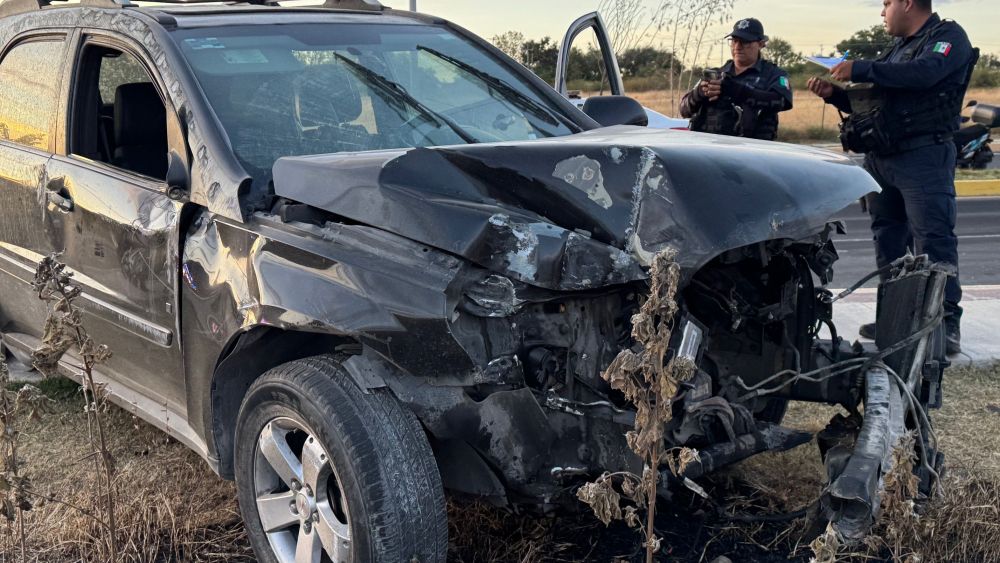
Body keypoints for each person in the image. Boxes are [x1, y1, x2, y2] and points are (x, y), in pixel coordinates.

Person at [808, 0, 976, 355]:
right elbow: (878, 101)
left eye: (886, 3)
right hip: (883, 157)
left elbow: (924, 74)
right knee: (888, 240)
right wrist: (835, 95)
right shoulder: (896, 49)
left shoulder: (947, 38)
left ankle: (944, 323)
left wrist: (862, 67)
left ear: (907, 3)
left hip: (923, 157)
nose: (882, 12)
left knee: (932, 241)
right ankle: (894, 318)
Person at [680, 18, 793, 140]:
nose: (738, 47)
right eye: (734, 41)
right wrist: (700, 93)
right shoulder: (717, 74)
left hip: (753, 149)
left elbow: (782, 101)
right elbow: (684, 110)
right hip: (710, 148)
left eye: (745, 42)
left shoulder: (773, 74)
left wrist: (739, 92)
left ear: (760, 44)